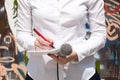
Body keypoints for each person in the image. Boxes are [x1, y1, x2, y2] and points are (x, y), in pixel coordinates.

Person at [16, 0, 106, 80]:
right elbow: (22, 33)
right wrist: (35, 43)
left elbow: (99, 35)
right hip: (39, 74)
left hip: (82, 74)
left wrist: (77, 53)